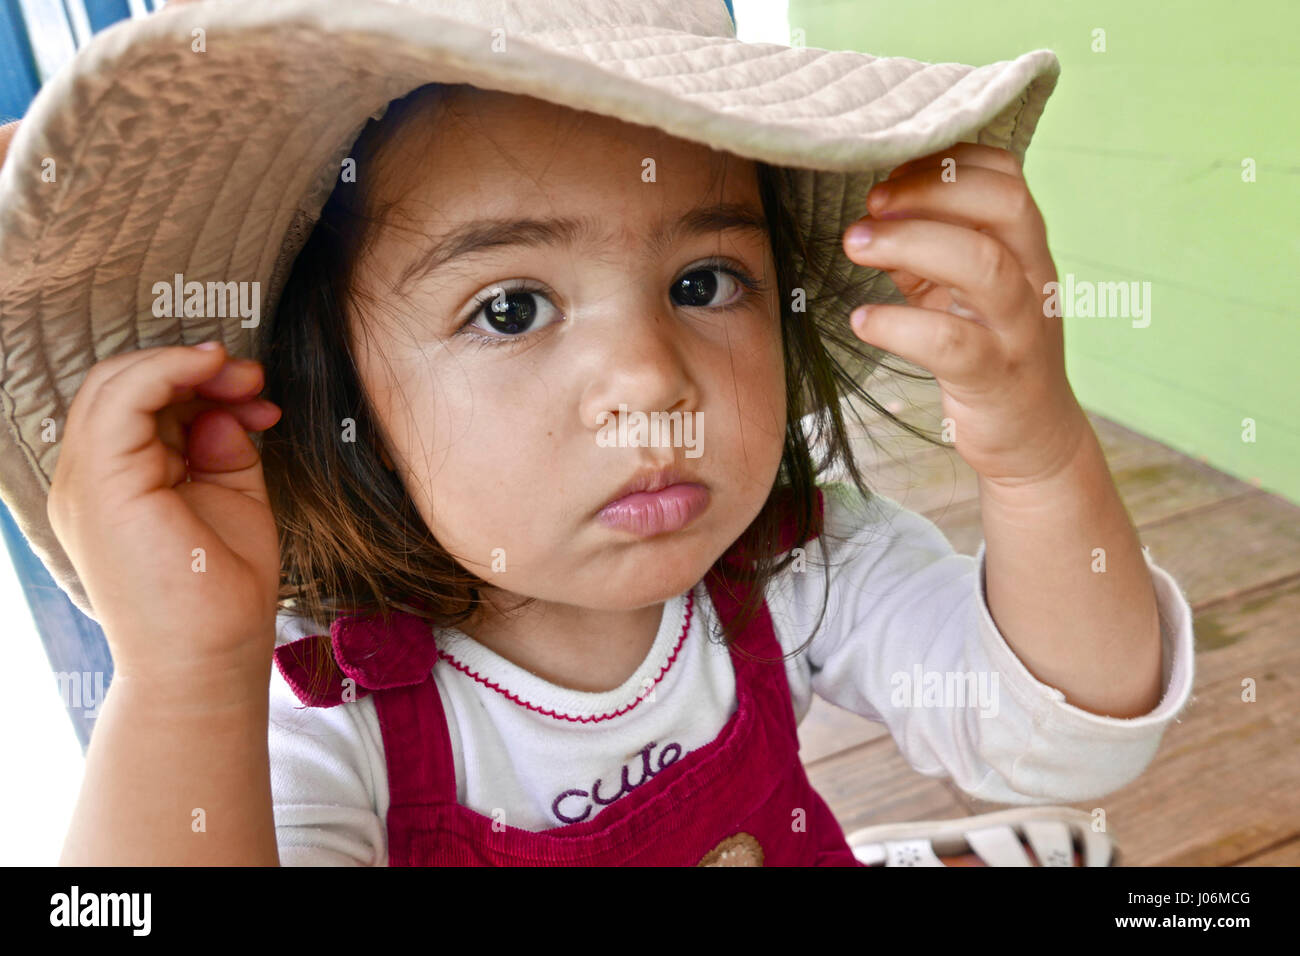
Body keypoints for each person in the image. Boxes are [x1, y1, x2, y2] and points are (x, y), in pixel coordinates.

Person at [0, 0, 1194, 867]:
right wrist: (185, 683)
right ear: (329, 387)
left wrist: (1035, 454)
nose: (649, 380)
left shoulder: (795, 563)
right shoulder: (319, 712)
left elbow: (1071, 738)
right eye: (509, 307)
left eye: (704, 280)